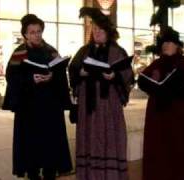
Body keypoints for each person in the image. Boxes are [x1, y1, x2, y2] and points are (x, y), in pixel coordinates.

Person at [2, 14, 72, 180]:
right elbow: (11, 77)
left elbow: (61, 73)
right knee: (30, 145)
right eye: (32, 32)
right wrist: (30, 79)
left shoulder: (51, 51)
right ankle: (33, 173)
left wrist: (52, 77)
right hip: (29, 108)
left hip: (50, 107)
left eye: (39, 31)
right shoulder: (19, 53)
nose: (36, 35)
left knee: (50, 143)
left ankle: (49, 173)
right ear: (25, 34)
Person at [68, 7, 134, 180]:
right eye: (94, 29)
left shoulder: (117, 52)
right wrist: (79, 74)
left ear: (108, 32)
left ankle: (110, 175)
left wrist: (115, 76)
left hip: (108, 105)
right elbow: (72, 70)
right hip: (87, 107)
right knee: (88, 138)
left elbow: (128, 76)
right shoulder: (83, 51)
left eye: (100, 29)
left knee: (109, 136)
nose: (96, 32)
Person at [138, 27, 184, 180]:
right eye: (164, 42)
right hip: (158, 115)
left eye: (170, 42)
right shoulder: (156, 63)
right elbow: (145, 81)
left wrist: (179, 85)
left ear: (178, 46)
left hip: (180, 117)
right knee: (157, 149)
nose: (166, 45)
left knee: (180, 149)